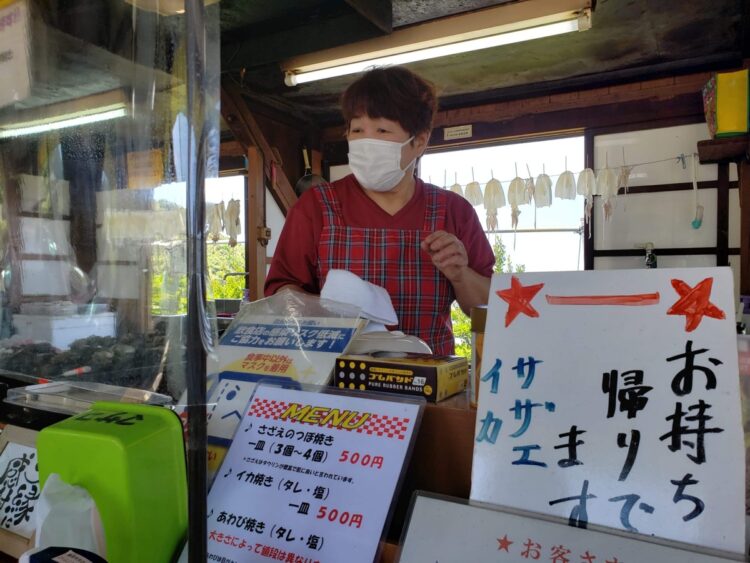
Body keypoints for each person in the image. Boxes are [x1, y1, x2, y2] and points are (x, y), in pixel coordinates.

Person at [264, 66, 494, 355]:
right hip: (337, 383)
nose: (365, 142)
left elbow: (488, 310)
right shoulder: (316, 206)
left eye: (382, 130)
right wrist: (327, 308)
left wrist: (461, 275)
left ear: (419, 141)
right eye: (357, 130)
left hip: (429, 384)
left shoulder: (454, 211)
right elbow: (280, 294)